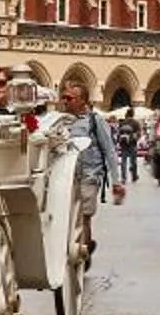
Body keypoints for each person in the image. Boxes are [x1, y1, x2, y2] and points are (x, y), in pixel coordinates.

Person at [51, 77, 127, 256]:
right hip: (66, 177)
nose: (64, 101)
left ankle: (82, 255)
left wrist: (116, 181)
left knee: (84, 216)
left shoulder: (95, 120)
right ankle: (80, 247)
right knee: (67, 216)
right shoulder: (62, 121)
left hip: (89, 175)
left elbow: (109, 150)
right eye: (63, 97)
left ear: (82, 101)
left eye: (69, 98)